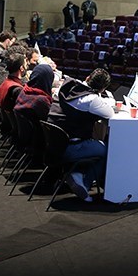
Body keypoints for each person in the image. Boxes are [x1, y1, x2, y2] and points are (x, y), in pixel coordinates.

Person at [48, 68, 114, 202]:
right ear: (102, 89)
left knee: (93, 142)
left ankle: (78, 174)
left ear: (88, 77)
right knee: (108, 150)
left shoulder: (66, 85)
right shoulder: (91, 100)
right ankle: (84, 181)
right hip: (69, 148)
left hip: (52, 143)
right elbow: (110, 113)